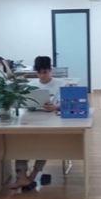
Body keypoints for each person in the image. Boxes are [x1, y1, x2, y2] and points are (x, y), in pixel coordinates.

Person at [13, 56, 64, 190]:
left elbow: (67, 103)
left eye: (45, 72)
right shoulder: (31, 85)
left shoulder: (60, 84)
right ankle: (21, 176)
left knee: (44, 145)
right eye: (39, 73)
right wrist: (30, 105)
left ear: (50, 70)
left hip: (51, 120)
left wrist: (56, 107)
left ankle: (33, 175)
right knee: (20, 143)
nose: (42, 76)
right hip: (32, 119)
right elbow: (24, 104)